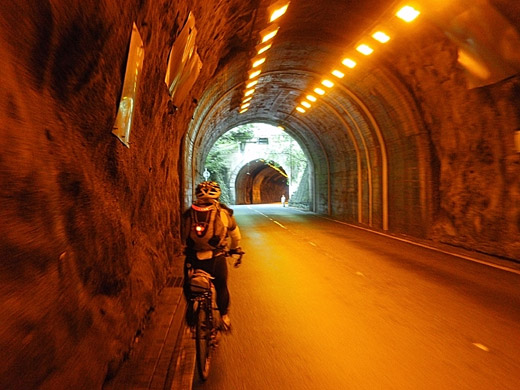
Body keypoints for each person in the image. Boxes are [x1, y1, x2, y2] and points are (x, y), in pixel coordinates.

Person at [182, 181, 243, 330]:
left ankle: (191, 308)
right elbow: (236, 237)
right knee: (221, 286)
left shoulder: (189, 213)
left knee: (188, 284)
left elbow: (183, 236)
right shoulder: (223, 213)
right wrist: (235, 249)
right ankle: (224, 317)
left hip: (193, 258)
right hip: (216, 259)